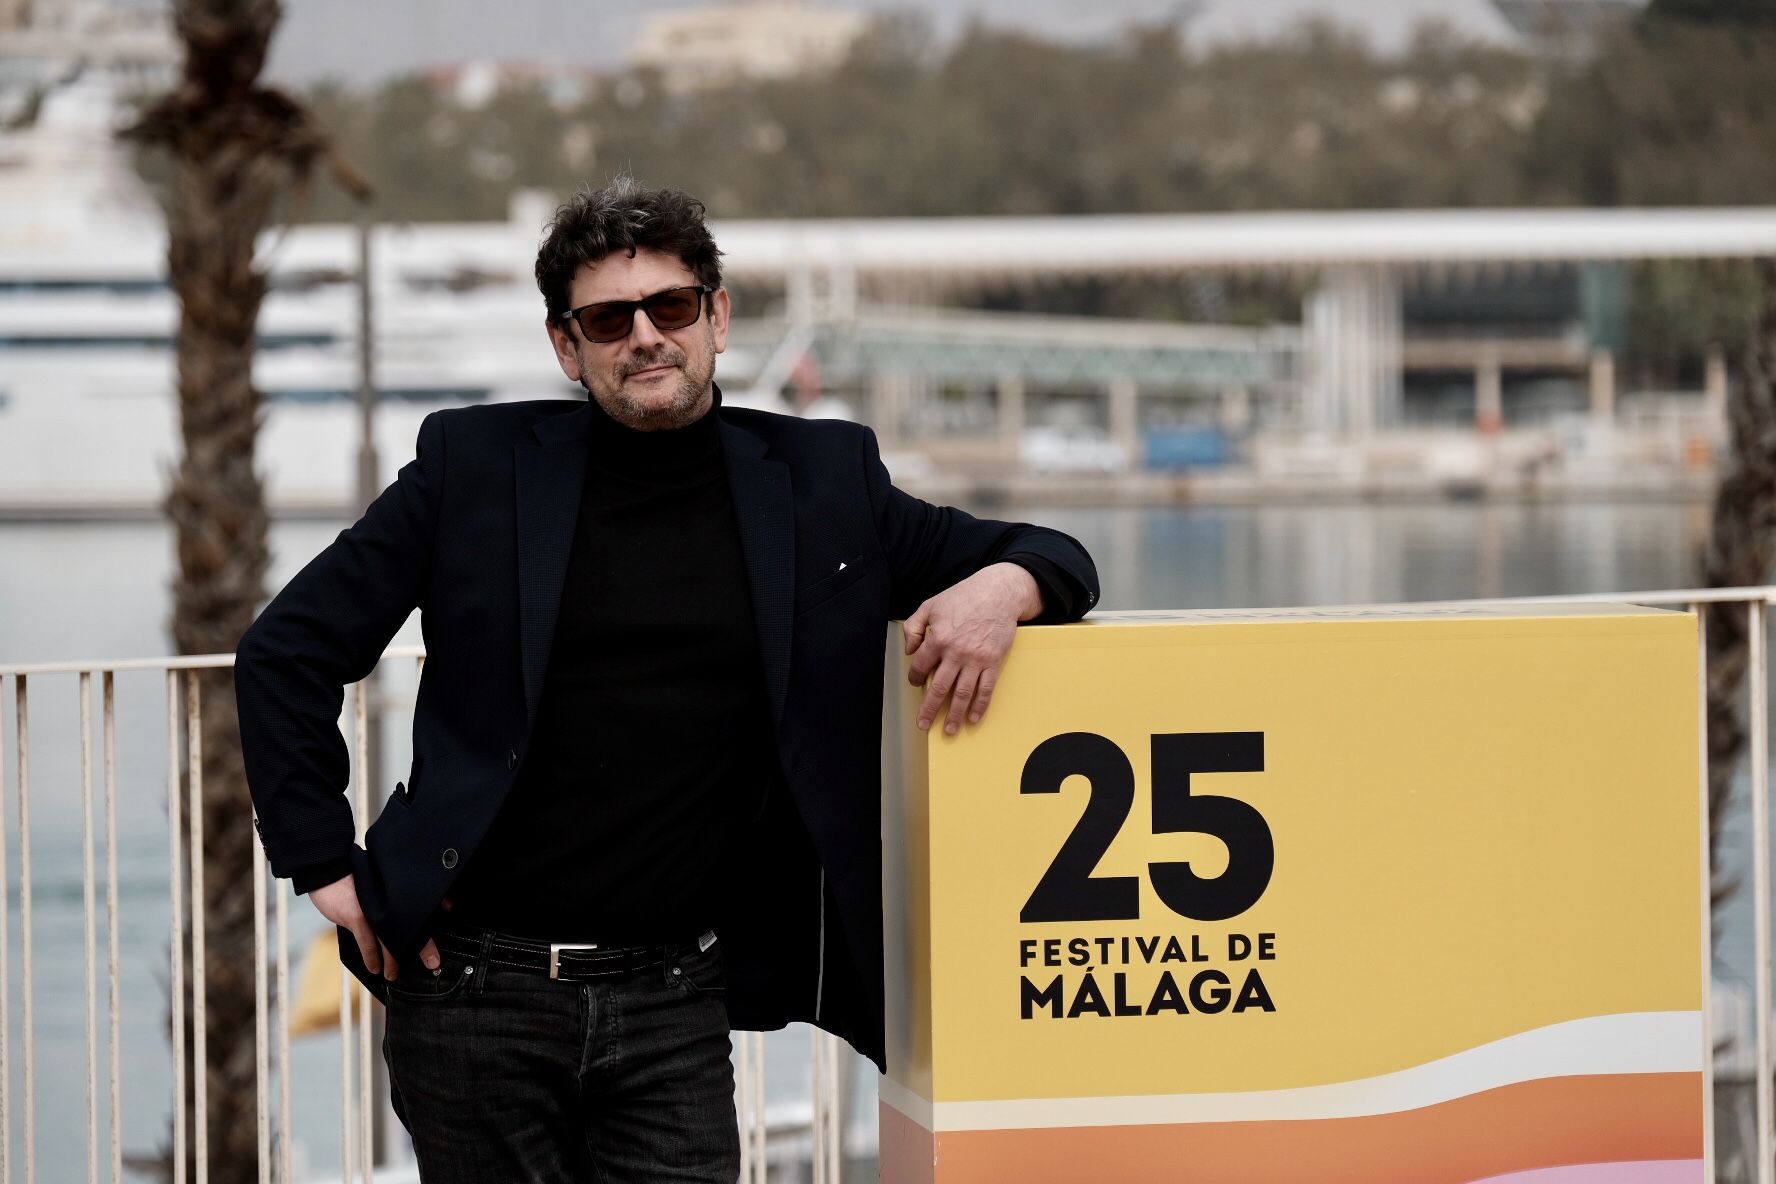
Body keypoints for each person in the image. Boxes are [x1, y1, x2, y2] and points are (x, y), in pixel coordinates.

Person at [235, 178, 1098, 1182]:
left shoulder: (822, 480)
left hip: (677, 999)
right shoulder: (475, 468)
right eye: (609, 318)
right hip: (475, 993)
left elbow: (1054, 550)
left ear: (717, 317)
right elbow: (284, 651)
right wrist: (323, 865)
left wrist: (1003, 589)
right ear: (569, 347)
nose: (645, 335)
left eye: (672, 307)